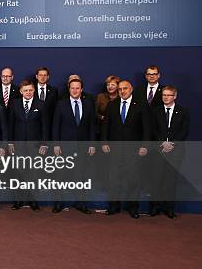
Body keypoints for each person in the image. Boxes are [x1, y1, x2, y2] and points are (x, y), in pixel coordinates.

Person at [101, 80, 151, 219]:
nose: (122, 91)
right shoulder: (112, 104)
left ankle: (133, 207)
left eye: (125, 88)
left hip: (134, 149)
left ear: (131, 89)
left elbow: (147, 128)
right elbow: (106, 125)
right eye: (120, 89)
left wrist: (145, 145)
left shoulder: (141, 105)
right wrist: (104, 142)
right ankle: (113, 206)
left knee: (133, 179)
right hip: (115, 149)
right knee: (113, 178)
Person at [51, 78, 96, 214]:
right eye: (72, 88)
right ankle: (59, 203)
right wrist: (56, 144)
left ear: (81, 90)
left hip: (82, 146)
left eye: (77, 88)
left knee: (81, 176)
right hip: (64, 146)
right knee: (61, 176)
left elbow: (92, 126)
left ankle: (81, 204)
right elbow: (55, 125)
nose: (75, 90)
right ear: (69, 89)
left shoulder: (88, 104)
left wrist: (92, 144)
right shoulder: (61, 104)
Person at [8, 79, 49, 211]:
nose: (28, 92)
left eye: (30, 90)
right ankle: (18, 201)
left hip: (35, 145)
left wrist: (44, 144)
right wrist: (10, 142)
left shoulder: (41, 104)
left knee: (34, 174)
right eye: (25, 90)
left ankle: (33, 201)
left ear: (34, 90)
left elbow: (45, 126)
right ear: (21, 91)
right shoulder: (14, 104)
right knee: (18, 173)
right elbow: (10, 124)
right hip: (18, 145)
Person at [150, 85, 189, 219]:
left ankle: (169, 209)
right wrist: (162, 143)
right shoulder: (156, 111)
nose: (166, 97)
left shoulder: (183, 111)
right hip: (159, 150)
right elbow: (153, 130)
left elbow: (184, 131)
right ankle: (155, 207)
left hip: (175, 151)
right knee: (156, 180)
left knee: (170, 182)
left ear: (175, 96)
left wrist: (172, 144)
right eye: (164, 95)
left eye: (168, 95)